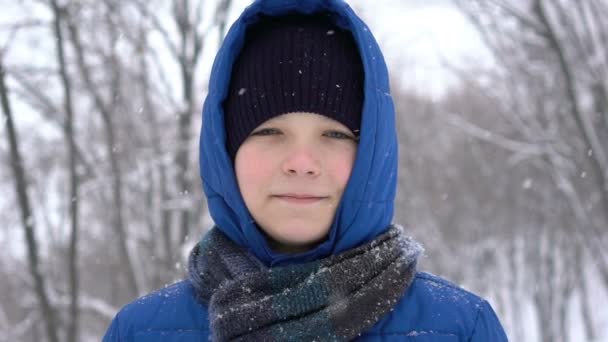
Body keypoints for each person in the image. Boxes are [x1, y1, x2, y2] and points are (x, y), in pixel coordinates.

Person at [103, 0, 509, 341]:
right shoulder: (140, 332)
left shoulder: (459, 328)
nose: (301, 162)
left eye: (333, 134)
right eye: (270, 131)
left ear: (371, 153)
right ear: (225, 154)